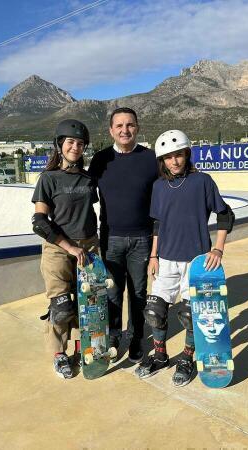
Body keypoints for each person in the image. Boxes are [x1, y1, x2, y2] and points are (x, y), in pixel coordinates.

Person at [135, 129, 235, 387]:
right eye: (168, 157)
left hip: (196, 260)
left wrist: (218, 249)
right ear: (162, 161)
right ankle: (160, 356)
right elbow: (157, 223)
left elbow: (224, 215)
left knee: (191, 314)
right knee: (155, 311)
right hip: (166, 259)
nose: (174, 161)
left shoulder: (202, 181)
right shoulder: (158, 186)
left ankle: (188, 358)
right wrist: (154, 255)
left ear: (187, 154)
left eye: (178, 155)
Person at [88, 107, 158, 363]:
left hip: (142, 239)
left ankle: (137, 336)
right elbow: (85, 198)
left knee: (138, 292)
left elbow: (166, 194)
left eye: (130, 125)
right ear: (111, 131)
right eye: (119, 126)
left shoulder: (151, 159)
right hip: (110, 239)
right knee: (112, 292)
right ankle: (115, 335)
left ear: (137, 127)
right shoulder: (100, 160)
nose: (124, 130)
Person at [32, 119, 99, 379]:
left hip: (89, 245)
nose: (76, 147)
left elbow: (88, 210)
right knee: (61, 306)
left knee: (88, 303)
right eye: (71, 142)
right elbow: (39, 222)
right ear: (60, 145)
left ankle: (83, 349)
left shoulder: (87, 178)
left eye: (80, 144)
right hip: (58, 248)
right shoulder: (48, 179)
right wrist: (68, 246)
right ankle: (59, 355)